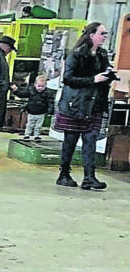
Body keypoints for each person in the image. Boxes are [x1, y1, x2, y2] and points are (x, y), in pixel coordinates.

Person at [54, 22, 114, 190]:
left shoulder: (102, 54)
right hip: (76, 105)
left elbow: (103, 75)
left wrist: (109, 76)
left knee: (90, 141)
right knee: (70, 142)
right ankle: (64, 174)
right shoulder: (76, 54)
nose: (104, 36)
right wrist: (93, 80)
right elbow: (68, 79)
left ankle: (89, 177)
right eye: (102, 33)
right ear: (91, 35)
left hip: (94, 104)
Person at [13, 73, 55, 142]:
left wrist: (50, 110)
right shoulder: (31, 90)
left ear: (46, 86)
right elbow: (23, 94)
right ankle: (27, 135)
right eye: (39, 86)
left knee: (38, 126)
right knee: (29, 124)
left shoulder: (47, 93)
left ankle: (37, 135)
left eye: (42, 86)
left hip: (41, 112)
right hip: (31, 111)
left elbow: (50, 102)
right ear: (35, 84)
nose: (40, 88)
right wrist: (16, 91)